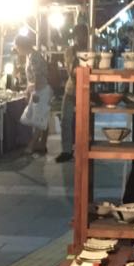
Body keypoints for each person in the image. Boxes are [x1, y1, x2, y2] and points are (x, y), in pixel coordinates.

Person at [55, 24, 90, 163]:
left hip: (86, 89)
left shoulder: (90, 50)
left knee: (85, 121)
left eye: (83, 35)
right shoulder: (70, 51)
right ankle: (67, 150)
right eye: (79, 35)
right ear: (75, 37)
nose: (81, 38)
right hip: (71, 90)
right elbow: (71, 70)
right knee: (66, 120)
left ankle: (83, 148)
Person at [15, 31, 51, 156]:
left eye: (17, 47)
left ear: (21, 46)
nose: (17, 50)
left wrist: (29, 91)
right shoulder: (31, 55)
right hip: (40, 89)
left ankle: (32, 145)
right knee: (42, 117)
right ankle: (42, 144)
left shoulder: (33, 56)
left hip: (41, 90)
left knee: (39, 118)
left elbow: (37, 76)